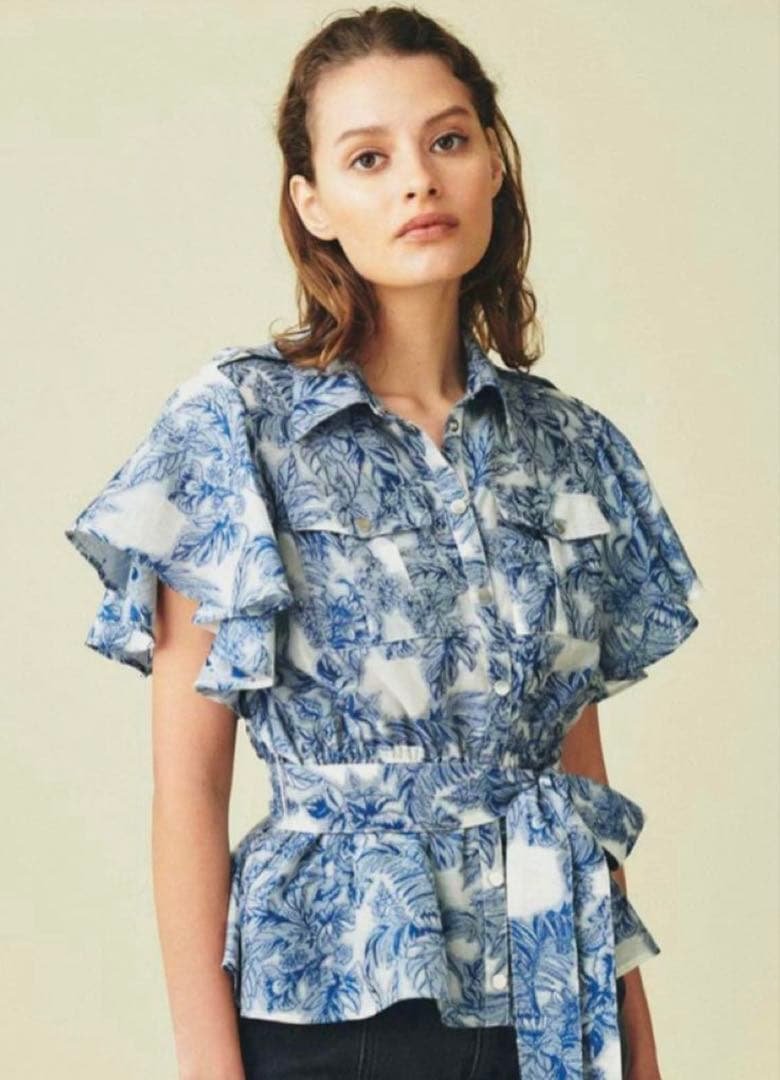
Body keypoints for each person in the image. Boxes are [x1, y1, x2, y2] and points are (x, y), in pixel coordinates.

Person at [64, 5, 703, 1078]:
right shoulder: (234, 428)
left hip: (551, 988)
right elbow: (188, 795)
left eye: (447, 140)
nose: (418, 181)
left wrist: (638, 1053)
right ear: (311, 203)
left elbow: (574, 776)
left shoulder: (569, 448)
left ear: (493, 165)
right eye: (370, 157)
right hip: (333, 1008)